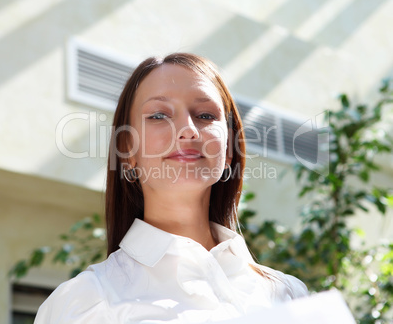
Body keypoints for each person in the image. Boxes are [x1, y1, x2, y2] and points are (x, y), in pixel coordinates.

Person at [35, 53, 308, 323]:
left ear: (228, 150)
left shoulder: (290, 295)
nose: (187, 130)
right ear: (127, 149)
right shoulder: (83, 303)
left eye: (205, 115)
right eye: (157, 115)